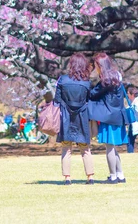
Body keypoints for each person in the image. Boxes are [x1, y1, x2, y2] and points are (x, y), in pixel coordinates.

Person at [54, 53, 94, 185]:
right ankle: (90, 176)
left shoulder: (62, 80)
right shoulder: (86, 82)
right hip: (81, 116)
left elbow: (57, 100)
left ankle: (67, 178)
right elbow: (89, 99)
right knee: (85, 148)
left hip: (66, 116)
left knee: (66, 148)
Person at [89, 53, 127, 184]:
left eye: (96, 65)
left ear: (100, 65)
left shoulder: (105, 80)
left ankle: (113, 176)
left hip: (108, 116)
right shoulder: (117, 77)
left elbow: (93, 95)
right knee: (113, 147)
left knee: (109, 147)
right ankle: (120, 175)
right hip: (118, 115)